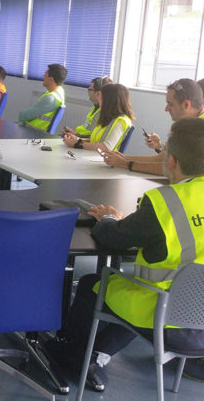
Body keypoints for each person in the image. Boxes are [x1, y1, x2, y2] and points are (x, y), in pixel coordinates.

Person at [46, 117, 204, 392]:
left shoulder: (165, 202)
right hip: (199, 324)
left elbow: (114, 238)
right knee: (138, 295)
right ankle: (98, 353)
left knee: (94, 284)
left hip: (168, 319)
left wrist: (109, 218)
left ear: (171, 161)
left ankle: (71, 353)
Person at [102, 78, 203, 176]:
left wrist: (124, 163)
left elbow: (170, 168)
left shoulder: (197, 130)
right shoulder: (188, 125)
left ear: (186, 105)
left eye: (170, 104)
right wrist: (124, 158)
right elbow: (162, 158)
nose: (166, 109)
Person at [62, 83, 134, 152]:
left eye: (101, 97)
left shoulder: (121, 121)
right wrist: (77, 139)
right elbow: (95, 141)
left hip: (103, 158)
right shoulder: (107, 116)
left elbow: (107, 147)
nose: (99, 100)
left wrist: (77, 144)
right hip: (92, 154)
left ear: (109, 100)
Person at [18, 63, 67, 131]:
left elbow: (25, 116)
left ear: (51, 79)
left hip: (33, 132)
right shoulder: (60, 91)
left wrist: (20, 117)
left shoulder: (50, 98)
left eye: (45, 75)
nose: (43, 77)